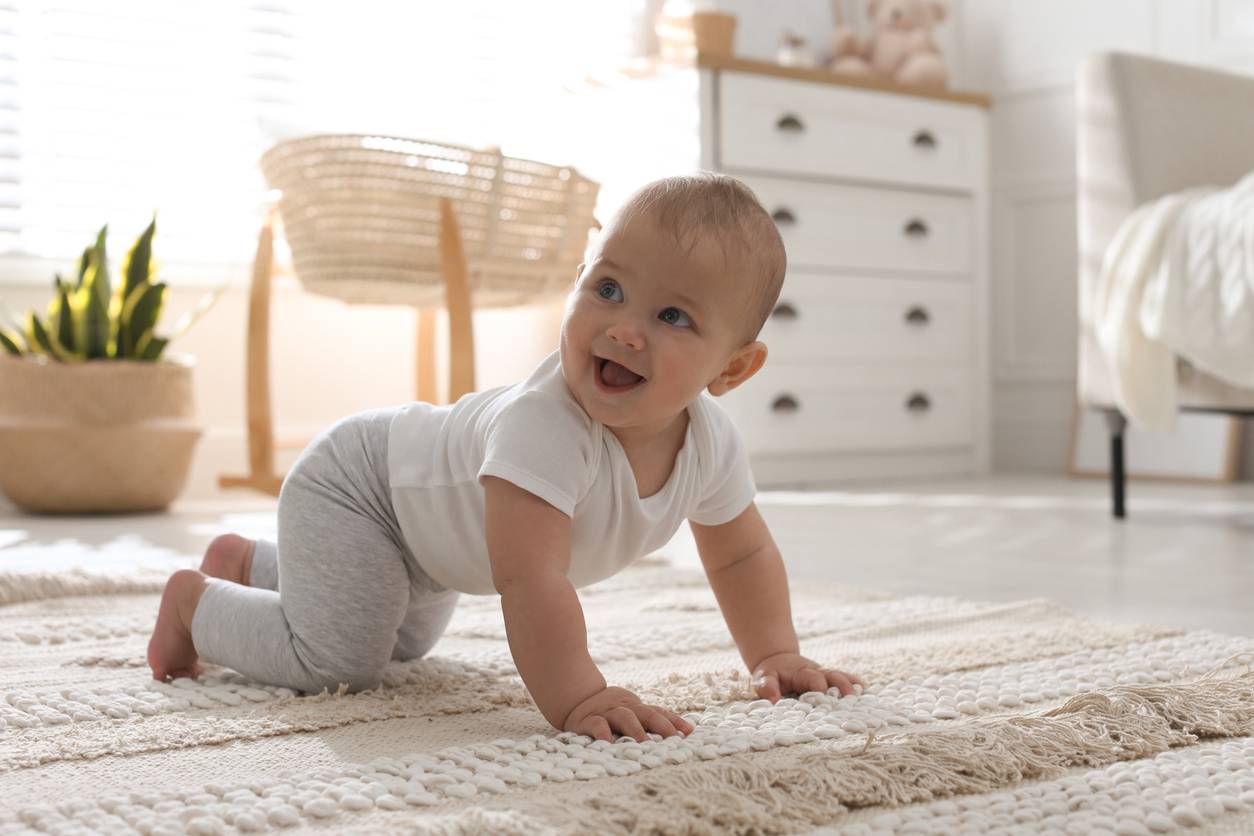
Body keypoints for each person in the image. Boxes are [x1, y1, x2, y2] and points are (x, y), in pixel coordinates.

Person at [148, 172, 862, 743]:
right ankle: (196, 606)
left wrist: (775, 655)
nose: (623, 328)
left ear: (731, 371)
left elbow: (740, 557)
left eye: (671, 316)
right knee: (343, 662)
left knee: (407, 644)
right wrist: (579, 694)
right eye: (607, 289)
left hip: (426, 545)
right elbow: (530, 580)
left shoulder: (711, 444)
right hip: (361, 489)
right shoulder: (545, 427)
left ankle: (252, 564)